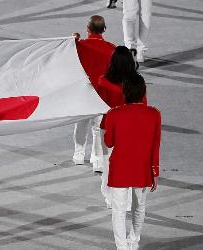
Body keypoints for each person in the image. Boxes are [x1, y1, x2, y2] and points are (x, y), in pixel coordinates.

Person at [101, 74, 160, 250]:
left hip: (120, 169)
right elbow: (155, 145)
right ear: (143, 92)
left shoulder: (114, 114)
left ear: (125, 92)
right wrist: (155, 171)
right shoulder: (154, 114)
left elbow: (109, 142)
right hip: (143, 168)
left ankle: (121, 247)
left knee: (118, 211)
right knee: (139, 207)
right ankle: (134, 241)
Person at [96, 46, 142, 208]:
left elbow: (99, 104)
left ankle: (110, 197)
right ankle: (127, 201)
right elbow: (142, 106)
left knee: (108, 162)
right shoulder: (138, 82)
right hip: (131, 128)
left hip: (108, 126)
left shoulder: (103, 81)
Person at [71, 15, 116, 170]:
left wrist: (74, 40)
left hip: (83, 91)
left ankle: (78, 155)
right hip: (102, 94)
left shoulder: (79, 46)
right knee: (98, 128)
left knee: (81, 124)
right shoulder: (112, 49)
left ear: (87, 29)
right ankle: (97, 161)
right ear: (104, 29)